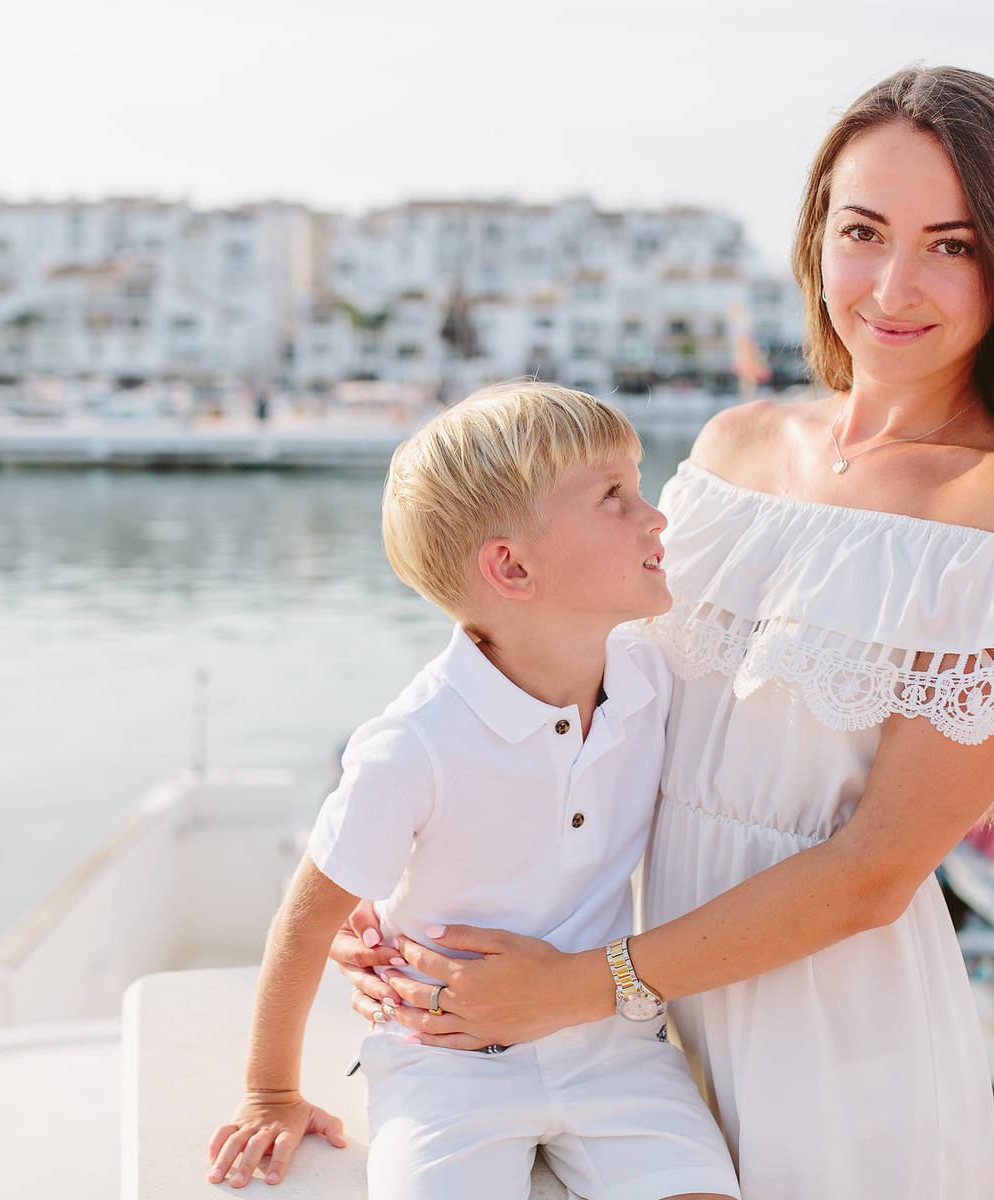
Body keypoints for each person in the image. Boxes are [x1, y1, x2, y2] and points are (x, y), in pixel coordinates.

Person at [333, 64, 994, 1198]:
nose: (891, 284)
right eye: (863, 230)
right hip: (627, 1027)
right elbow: (581, 694)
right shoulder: (735, 447)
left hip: (826, 1035)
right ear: (815, 235)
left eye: (953, 245)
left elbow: (874, 873)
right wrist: (402, 905)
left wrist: (579, 985)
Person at [204, 382, 740, 1200]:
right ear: (512, 567)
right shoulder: (412, 746)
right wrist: (271, 1091)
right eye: (613, 497)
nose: (654, 517)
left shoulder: (652, 678)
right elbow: (306, 922)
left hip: (616, 1050)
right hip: (443, 1064)